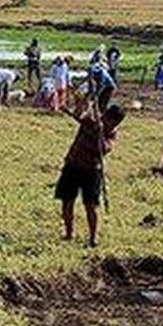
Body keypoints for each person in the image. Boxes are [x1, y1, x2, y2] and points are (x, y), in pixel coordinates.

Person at [56, 95, 125, 247]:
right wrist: (81, 101)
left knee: (91, 206)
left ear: (116, 123)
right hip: (73, 165)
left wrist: (100, 134)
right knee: (67, 201)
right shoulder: (92, 120)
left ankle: (93, 238)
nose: (107, 122)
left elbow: (105, 149)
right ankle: (68, 233)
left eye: (112, 122)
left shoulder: (111, 134)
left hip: (92, 171)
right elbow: (78, 115)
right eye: (106, 117)